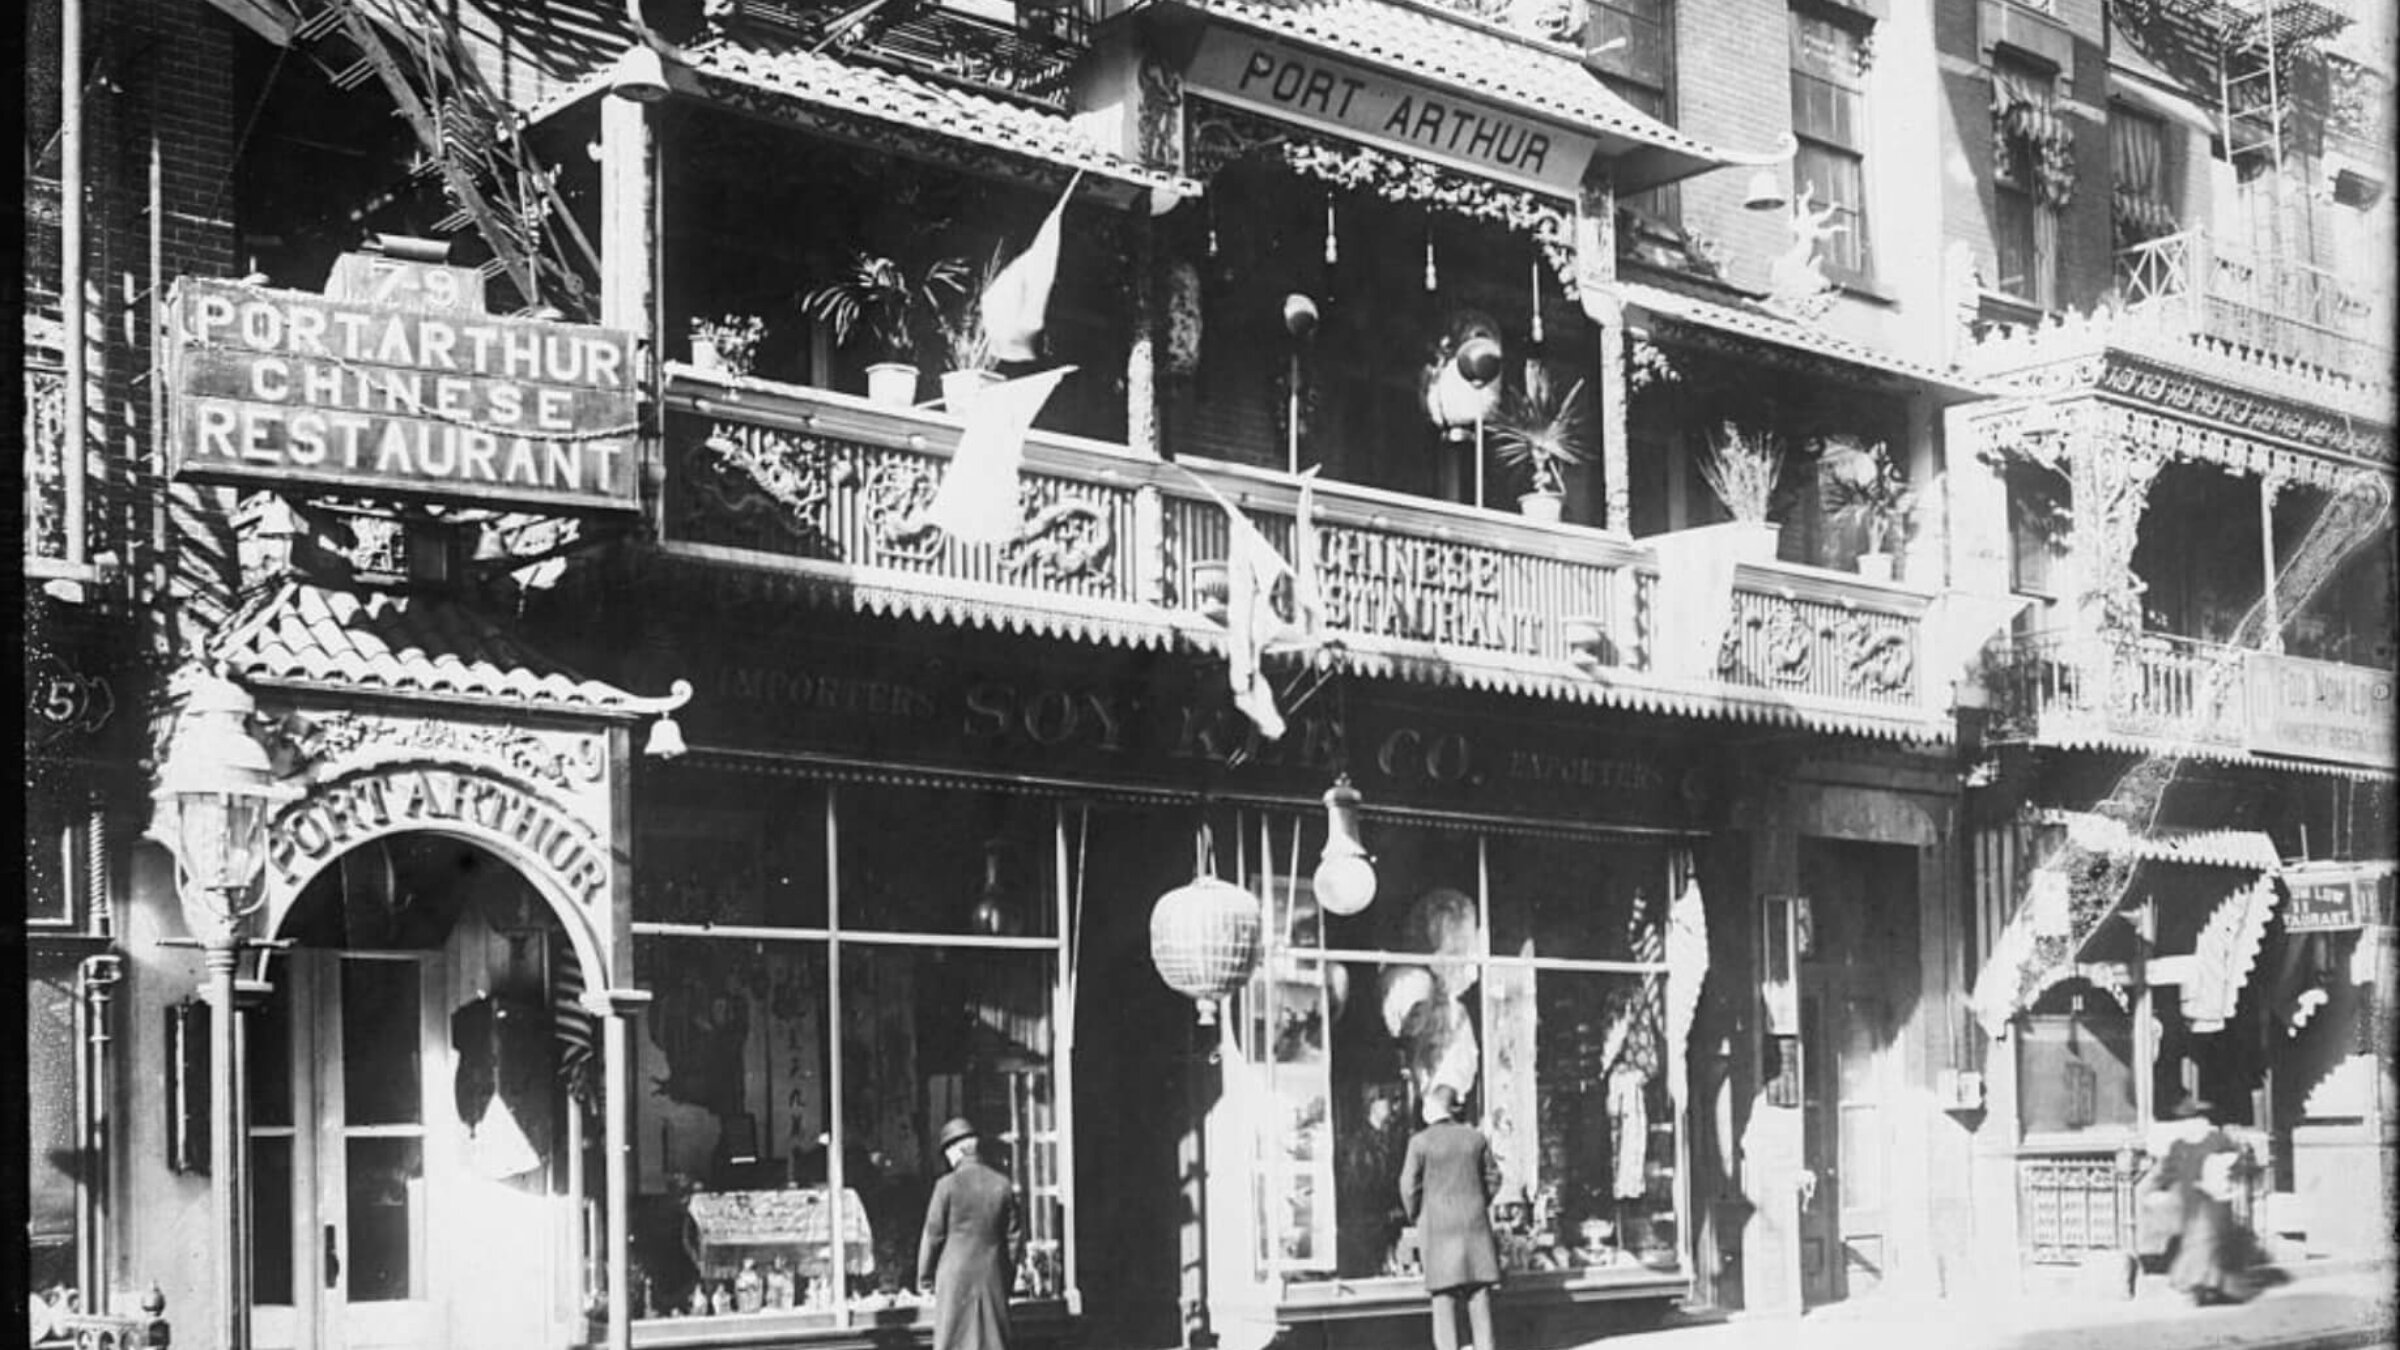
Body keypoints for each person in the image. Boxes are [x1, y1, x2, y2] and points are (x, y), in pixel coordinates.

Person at [1399, 1084, 1503, 1350]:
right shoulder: (1475, 1138)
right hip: (1474, 1229)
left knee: (1443, 1301)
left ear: (1431, 1109)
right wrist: (1478, 1203)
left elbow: (1408, 1187)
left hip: (1439, 1232)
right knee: (1479, 1300)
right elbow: (1494, 1178)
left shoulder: (1420, 1142)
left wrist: (1417, 1215)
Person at [2136, 1094, 2254, 1305]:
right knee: (2201, 1242)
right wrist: (2156, 1189)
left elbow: (2236, 1162)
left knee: (2205, 1242)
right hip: (2194, 1199)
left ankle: (2205, 1285)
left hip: (2211, 1198)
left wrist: (2228, 1174)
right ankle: (2204, 1286)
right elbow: (2168, 1171)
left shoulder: (2214, 1140)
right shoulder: (2182, 1145)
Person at [917, 1117, 1021, 1350]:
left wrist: (924, 1280)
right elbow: (1014, 1240)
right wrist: (1006, 1279)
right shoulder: (1002, 1184)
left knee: (954, 1341)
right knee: (992, 1342)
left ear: (958, 1150)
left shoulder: (946, 1186)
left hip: (954, 1280)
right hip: (991, 1277)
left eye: (947, 1153)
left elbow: (933, 1235)